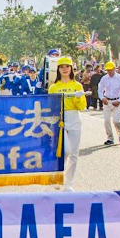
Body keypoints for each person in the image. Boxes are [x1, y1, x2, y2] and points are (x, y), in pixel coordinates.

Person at [48, 57, 86, 192]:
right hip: (60, 119)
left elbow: (81, 106)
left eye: (67, 66)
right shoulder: (53, 87)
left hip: (74, 117)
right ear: (58, 69)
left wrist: (78, 97)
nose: (65, 69)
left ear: (71, 69)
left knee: (74, 154)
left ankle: (68, 183)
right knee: (65, 151)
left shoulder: (77, 86)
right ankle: (57, 176)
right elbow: (50, 106)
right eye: (62, 66)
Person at [98, 61, 120, 145]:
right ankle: (110, 138)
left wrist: (119, 100)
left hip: (116, 101)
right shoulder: (104, 78)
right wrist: (102, 98)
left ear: (114, 69)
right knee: (106, 121)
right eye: (108, 70)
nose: (109, 72)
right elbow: (100, 89)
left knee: (116, 121)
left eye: (111, 70)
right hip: (107, 101)